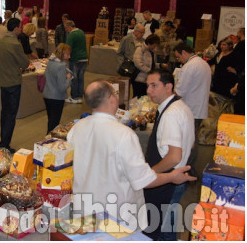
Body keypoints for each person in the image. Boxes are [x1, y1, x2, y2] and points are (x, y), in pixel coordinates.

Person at [68, 80, 195, 232]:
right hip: (117, 215)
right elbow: (142, 179)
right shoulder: (123, 134)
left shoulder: (77, 128)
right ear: (112, 99)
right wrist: (172, 177)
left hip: (85, 209)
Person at [143, 69, 195, 240]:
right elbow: (191, 143)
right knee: (169, 225)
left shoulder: (170, 115)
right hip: (177, 180)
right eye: (148, 86)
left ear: (168, 87)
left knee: (162, 231)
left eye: (154, 85)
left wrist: (151, 174)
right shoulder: (181, 106)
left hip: (168, 183)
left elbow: (174, 157)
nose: (149, 91)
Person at [0, 18, 31, 153]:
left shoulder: (1, 42)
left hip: (2, 81)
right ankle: (5, 145)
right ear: (15, 28)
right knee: (11, 114)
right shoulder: (15, 44)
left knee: (5, 112)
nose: (20, 30)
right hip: (13, 82)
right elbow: (25, 63)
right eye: (19, 27)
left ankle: (3, 141)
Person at [174, 42, 211, 133]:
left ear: (184, 52)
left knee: (188, 140)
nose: (178, 60)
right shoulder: (203, 63)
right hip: (199, 108)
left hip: (191, 109)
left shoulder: (189, 66)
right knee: (192, 137)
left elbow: (179, 92)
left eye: (178, 57)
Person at [42, 43, 73, 133]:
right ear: (62, 53)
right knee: (54, 124)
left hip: (47, 95)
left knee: (51, 121)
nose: (69, 56)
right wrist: (69, 78)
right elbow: (62, 87)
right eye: (67, 54)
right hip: (56, 97)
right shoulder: (61, 66)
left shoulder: (50, 62)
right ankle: (49, 142)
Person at [64, 20, 87, 104]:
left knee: (74, 78)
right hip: (84, 58)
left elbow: (67, 48)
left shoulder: (71, 35)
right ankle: (80, 97)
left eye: (66, 28)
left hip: (75, 59)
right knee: (81, 78)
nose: (66, 30)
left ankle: (74, 96)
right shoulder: (81, 32)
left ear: (70, 27)